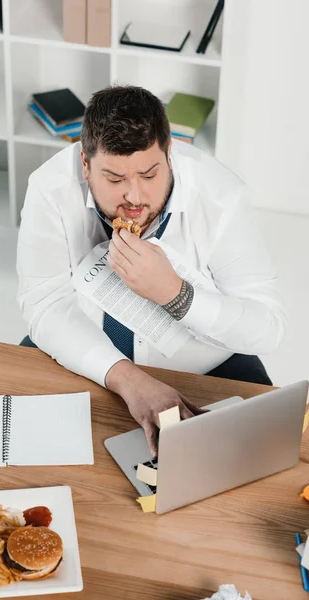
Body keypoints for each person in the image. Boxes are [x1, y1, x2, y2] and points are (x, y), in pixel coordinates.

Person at [17, 85, 286, 455]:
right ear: (85, 164)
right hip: (84, 354)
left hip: (204, 365)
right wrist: (129, 379)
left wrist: (177, 295)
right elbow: (43, 305)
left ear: (169, 153)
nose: (134, 197)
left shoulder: (222, 197)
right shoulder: (49, 189)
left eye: (149, 174)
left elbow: (268, 329)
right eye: (113, 179)